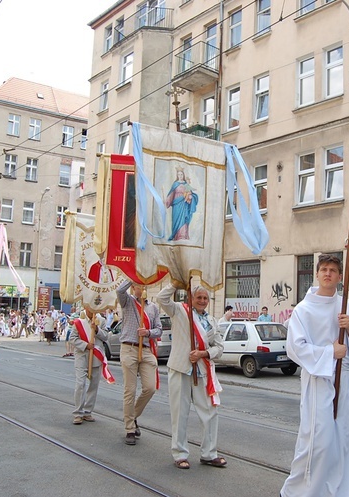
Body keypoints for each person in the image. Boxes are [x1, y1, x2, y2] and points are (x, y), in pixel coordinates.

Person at [280, 254, 349, 497]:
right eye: (324, 269)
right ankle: (297, 492)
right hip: (319, 381)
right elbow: (295, 348)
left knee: (343, 439)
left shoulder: (347, 307)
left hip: (344, 383)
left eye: (333, 270)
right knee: (317, 441)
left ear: (340, 276)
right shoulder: (303, 310)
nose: (328, 273)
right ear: (317, 274)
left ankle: (338, 492)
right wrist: (331, 352)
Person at [157, 282, 224, 470]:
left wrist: (203, 354)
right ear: (191, 298)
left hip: (202, 371)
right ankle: (179, 454)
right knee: (180, 414)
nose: (202, 301)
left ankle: (209, 454)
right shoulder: (179, 310)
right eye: (198, 298)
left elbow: (219, 347)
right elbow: (161, 298)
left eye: (205, 298)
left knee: (210, 412)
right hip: (180, 369)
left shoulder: (212, 320)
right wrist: (175, 284)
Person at [116, 280, 162, 445]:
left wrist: (148, 332)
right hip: (129, 348)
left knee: (150, 388)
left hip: (147, 349)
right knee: (130, 390)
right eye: (137, 286)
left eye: (142, 285)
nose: (140, 289)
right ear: (133, 287)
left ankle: (132, 416)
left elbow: (159, 329)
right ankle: (129, 428)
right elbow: (119, 290)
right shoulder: (127, 301)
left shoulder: (153, 307)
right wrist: (131, 276)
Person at [68, 309, 111, 425]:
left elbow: (106, 336)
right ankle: (78, 412)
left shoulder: (101, 320)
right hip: (82, 355)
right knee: (80, 384)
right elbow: (72, 338)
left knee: (93, 385)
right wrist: (85, 345)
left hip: (96, 355)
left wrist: (97, 329)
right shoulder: (79, 321)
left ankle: (87, 411)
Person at [165, 167, 198, 241]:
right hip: (176, 205)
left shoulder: (186, 184)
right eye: (179, 174)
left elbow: (190, 193)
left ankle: (183, 236)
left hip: (184, 205)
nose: (180, 176)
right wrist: (166, 201)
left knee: (184, 219)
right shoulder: (175, 184)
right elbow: (171, 195)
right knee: (176, 220)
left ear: (183, 175)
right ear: (177, 175)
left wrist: (190, 197)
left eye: (181, 174)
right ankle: (176, 236)